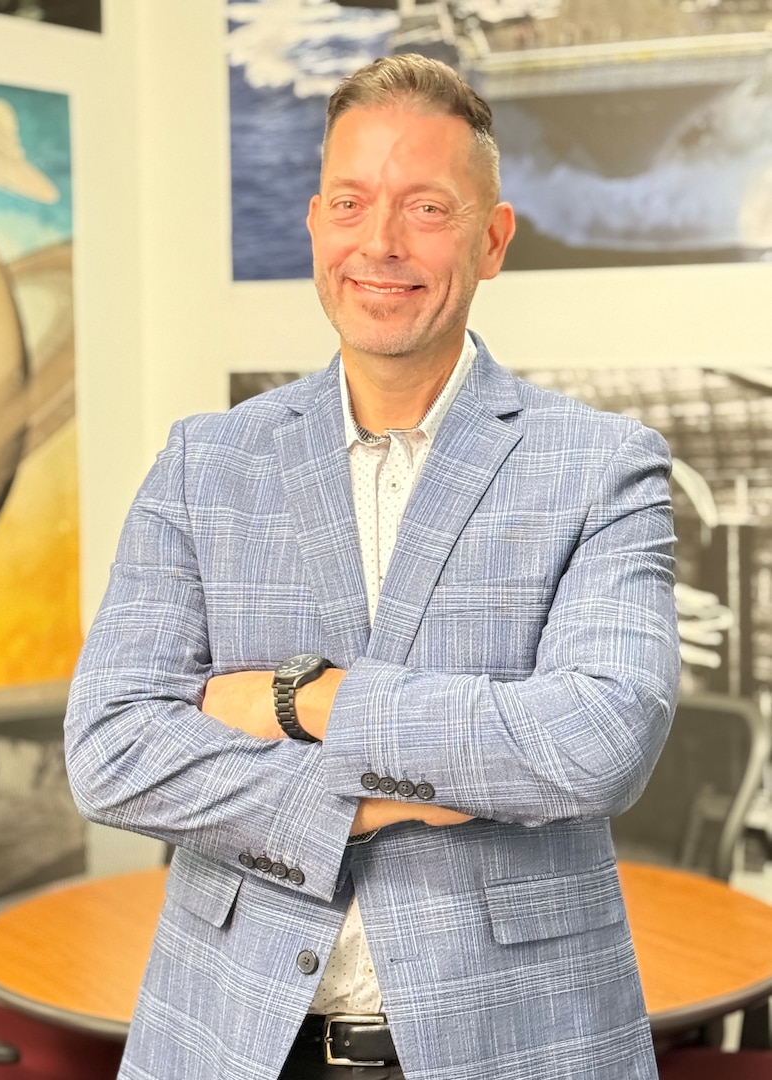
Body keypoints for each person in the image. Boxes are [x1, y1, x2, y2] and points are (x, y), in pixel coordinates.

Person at [65, 53, 679, 1080]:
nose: (380, 243)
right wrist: (381, 796)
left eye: (427, 207)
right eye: (351, 202)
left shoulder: (603, 464)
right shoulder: (203, 464)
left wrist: (305, 702)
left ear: (492, 241)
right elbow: (112, 746)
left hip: (518, 1046)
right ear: (315, 224)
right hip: (231, 1043)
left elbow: (596, 737)